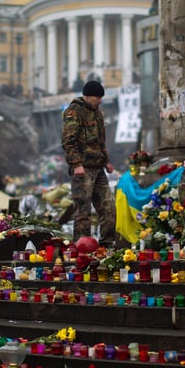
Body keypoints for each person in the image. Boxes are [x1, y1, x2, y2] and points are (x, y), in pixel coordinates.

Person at [61, 80, 116, 247]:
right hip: (82, 169)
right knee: (82, 211)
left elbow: (100, 141)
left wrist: (106, 161)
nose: (100, 101)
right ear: (87, 96)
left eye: (101, 97)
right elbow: (68, 141)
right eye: (97, 97)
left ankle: (107, 244)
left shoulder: (97, 113)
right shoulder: (74, 112)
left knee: (108, 208)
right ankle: (82, 246)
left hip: (98, 168)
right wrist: (77, 164)